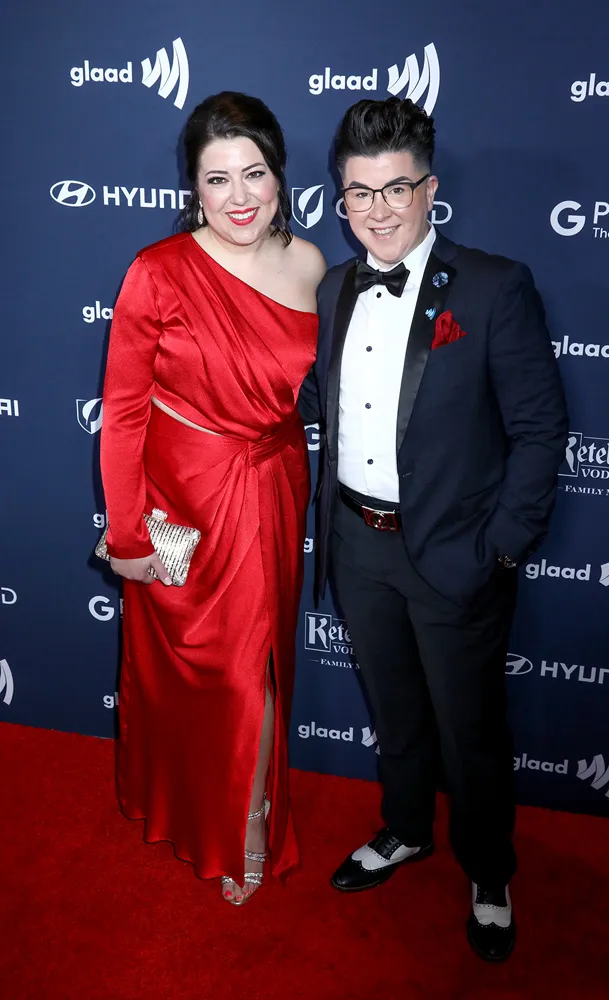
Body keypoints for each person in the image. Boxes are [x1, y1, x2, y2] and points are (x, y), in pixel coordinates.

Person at [299, 97, 568, 960]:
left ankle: (488, 870)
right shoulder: (333, 288)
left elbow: (539, 430)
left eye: (396, 189)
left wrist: (501, 548)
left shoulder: (493, 287)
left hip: (456, 555)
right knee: (397, 711)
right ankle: (406, 828)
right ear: (340, 198)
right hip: (356, 543)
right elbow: (317, 402)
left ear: (430, 189)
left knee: (471, 730)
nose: (377, 211)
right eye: (359, 192)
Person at [100, 91, 325, 906]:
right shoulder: (156, 271)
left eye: (254, 173)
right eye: (217, 178)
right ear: (193, 187)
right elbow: (124, 411)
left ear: (279, 175)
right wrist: (130, 533)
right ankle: (182, 798)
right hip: (181, 500)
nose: (239, 196)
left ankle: (250, 822)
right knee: (182, 675)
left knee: (251, 673)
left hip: (271, 485)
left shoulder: (311, 267)